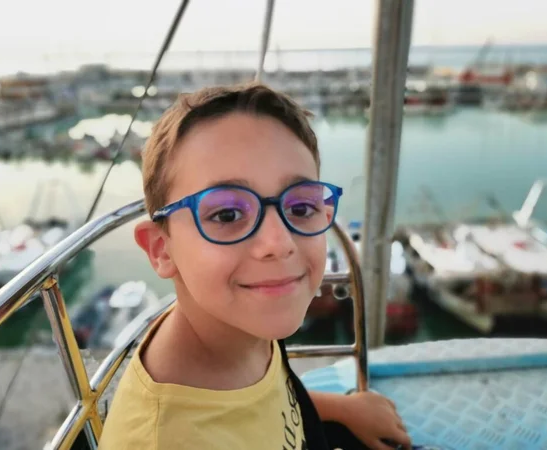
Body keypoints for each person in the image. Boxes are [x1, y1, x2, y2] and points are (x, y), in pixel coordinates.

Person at [98, 83, 411, 450]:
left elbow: (261, 404)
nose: (278, 244)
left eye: (300, 208)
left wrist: (340, 409)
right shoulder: (166, 439)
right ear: (161, 250)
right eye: (227, 214)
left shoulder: (238, 328)